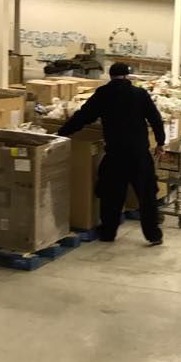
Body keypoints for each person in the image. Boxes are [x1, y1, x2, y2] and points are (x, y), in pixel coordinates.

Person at [59, 62, 165, 246]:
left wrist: (61, 133)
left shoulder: (103, 94)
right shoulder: (140, 94)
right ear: (127, 76)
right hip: (139, 154)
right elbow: (156, 119)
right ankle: (153, 235)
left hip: (116, 154)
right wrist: (160, 142)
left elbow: (83, 116)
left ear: (110, 76)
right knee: (146, 196)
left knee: (112, 195)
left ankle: (108, 233)